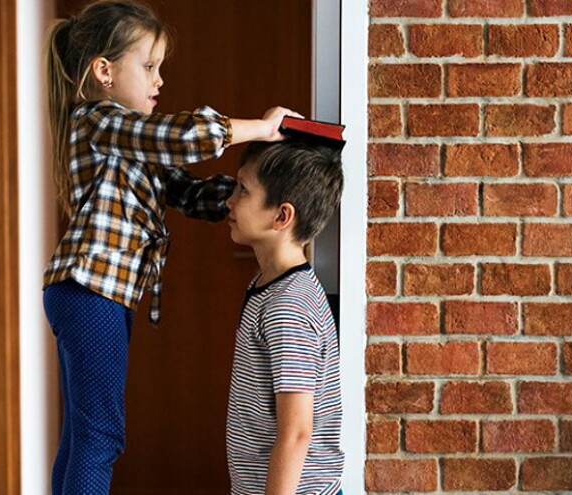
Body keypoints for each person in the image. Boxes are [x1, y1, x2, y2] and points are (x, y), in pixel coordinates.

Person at [42, 1, 300, 493]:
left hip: (89, 293)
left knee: (82, 436)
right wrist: (263, 128)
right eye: (149, 66)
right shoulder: (98, 121)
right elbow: (186, 137)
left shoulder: (126, 142)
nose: (159, 81)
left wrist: (251, 194)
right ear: (105, 71)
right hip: (91, 292)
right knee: (100, 436)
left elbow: (185, 190)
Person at [225, 140, 345, 495]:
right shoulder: (271, 286)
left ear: (281, 216)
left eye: (243, 190)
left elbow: (296, 432)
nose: (230, 200)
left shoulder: (287, 306)